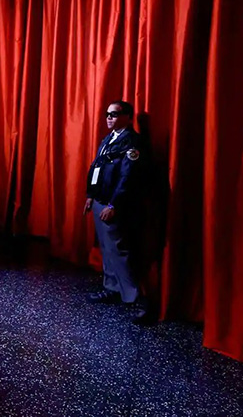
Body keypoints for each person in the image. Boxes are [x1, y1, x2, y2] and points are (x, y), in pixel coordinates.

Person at [83, 100, 153, 324]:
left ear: (128, 117)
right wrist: (91, 195)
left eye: (114, 114)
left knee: (118, 251)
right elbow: (97, 167)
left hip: (114, 205)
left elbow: (127, 178)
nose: (109, 118)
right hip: (100, 201)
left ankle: (136, 299)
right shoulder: (109, 139)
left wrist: (114, 205)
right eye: (107, 114)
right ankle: (111, 287)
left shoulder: (132, 142)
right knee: (106, 249)